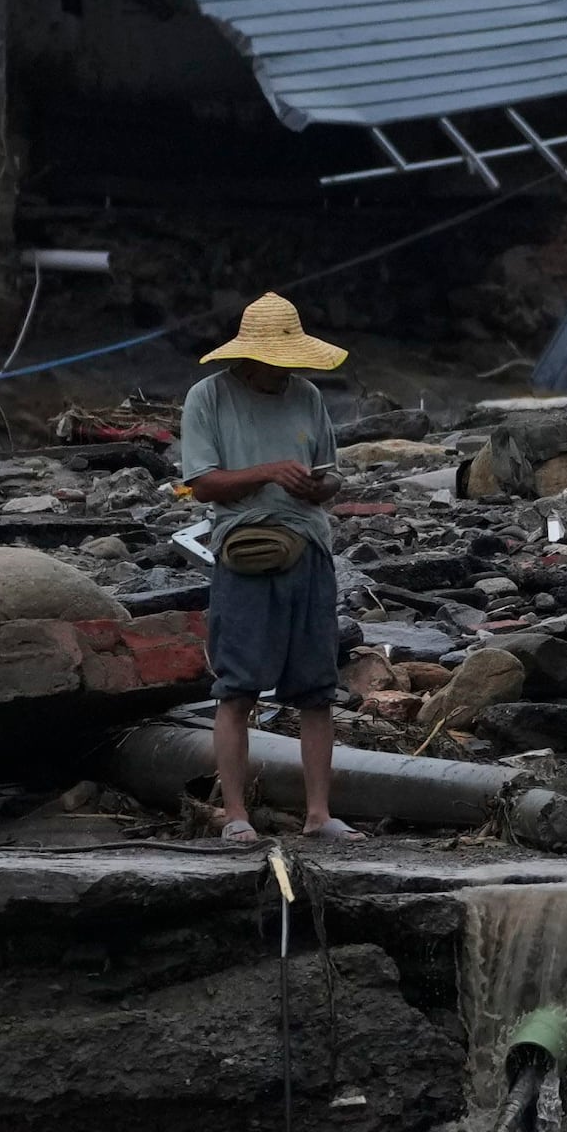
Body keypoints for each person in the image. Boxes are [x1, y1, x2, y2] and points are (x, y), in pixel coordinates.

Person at [179, 291, 353, 846]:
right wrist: (270, 472)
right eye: (270, 359)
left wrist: (315, 483)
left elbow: (331, 479)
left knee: (317, 690)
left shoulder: (307, 396)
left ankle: (318, 814)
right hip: (246, 551)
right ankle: (235, 815)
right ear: (246, 355)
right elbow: (202, 481)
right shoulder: (208, 398)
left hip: (309, 549)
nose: (280, 368)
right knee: (237, 688)